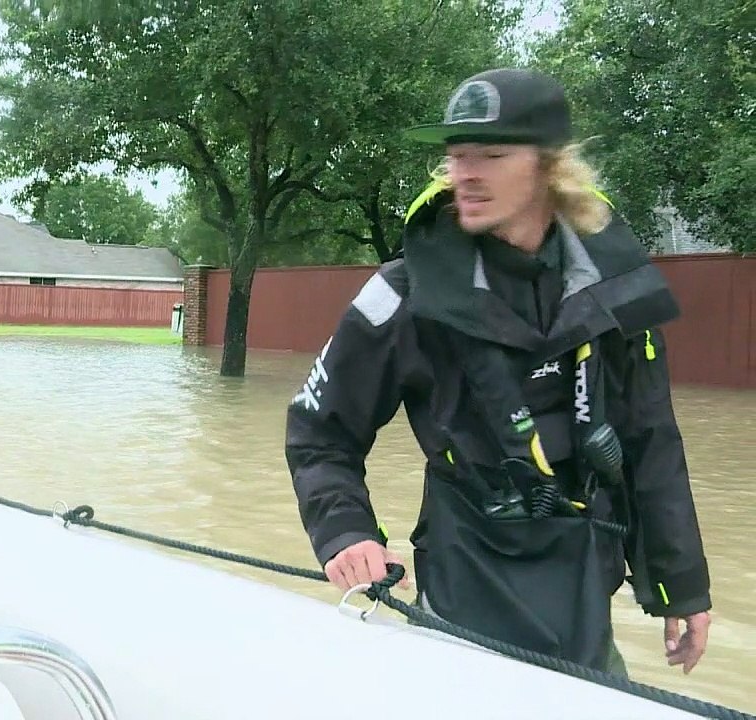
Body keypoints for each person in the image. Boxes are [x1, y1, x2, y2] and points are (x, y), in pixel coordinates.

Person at [285, 68, 711, 676]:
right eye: (457, 156)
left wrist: (681, 587)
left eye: (490, 154)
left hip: (586, 571)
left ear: (548, 166)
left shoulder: (616, 285)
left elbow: (651, 438)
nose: (465, 173)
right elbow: (318, 430)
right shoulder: (403, 294)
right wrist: (346, 531)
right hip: (466, 571)